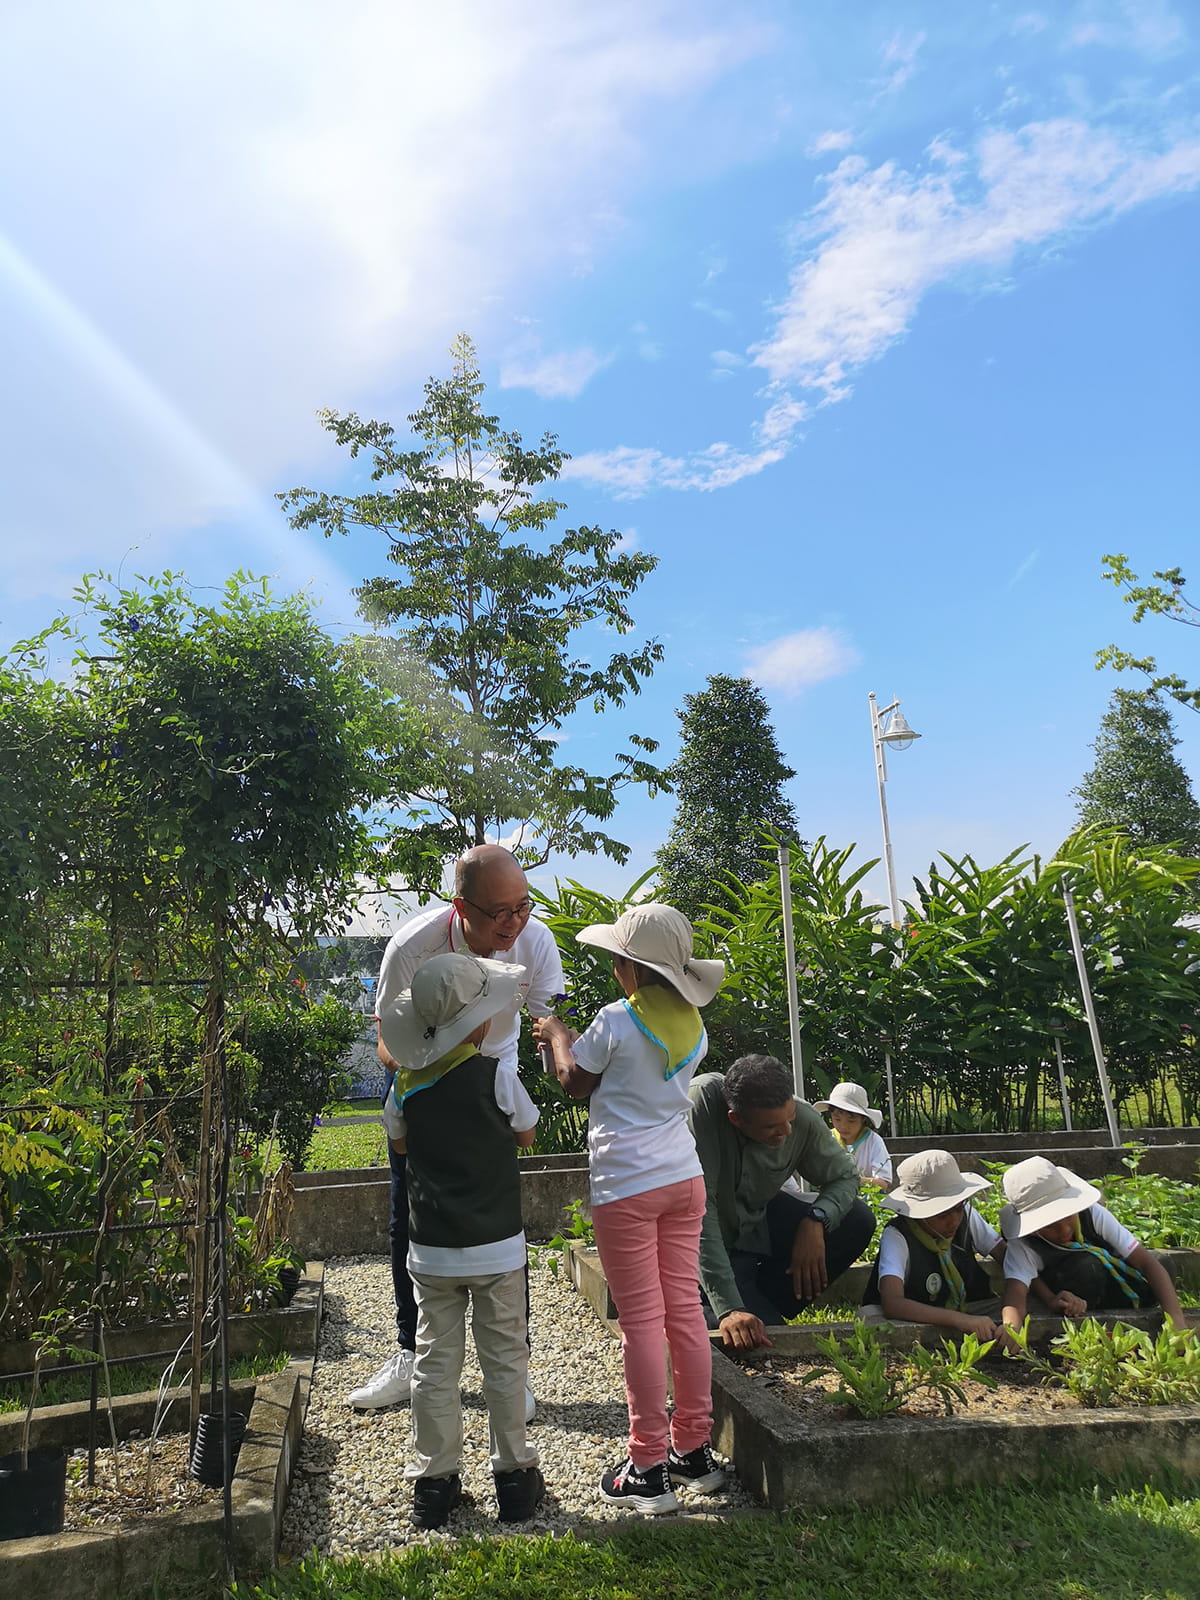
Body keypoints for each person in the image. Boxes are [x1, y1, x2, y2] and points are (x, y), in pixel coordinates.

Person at [349, 844, 565, 1414]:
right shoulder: (413, 947)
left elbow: (545, 1020)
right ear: (460, 907)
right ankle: (408, 1352)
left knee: (503, 1231)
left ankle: (511, 1365)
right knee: (410, 1220)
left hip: (495, 1096)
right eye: (499, 913)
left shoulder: (534, 939)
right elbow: (385, 1041)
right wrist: (441, 1066)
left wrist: (565, 1062)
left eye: (523, 906)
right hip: (422, 1091)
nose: (514, 924)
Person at [534, 903, 727, 1517]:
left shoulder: (616, 1019)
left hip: (627, 1188)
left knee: (641, 1323)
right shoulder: (692, 1022)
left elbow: (573, 1081)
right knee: (685, 1317)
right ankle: (693, 1452)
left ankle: (646, 1466)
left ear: (628, 967)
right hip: (683, 1179)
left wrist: (557, 1035)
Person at [379, 952, 544, 1529]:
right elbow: (525, 1133)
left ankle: (435, 1481)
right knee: (504, 1361)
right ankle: (515, 1477)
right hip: (497, 1246)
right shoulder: (497, 1073)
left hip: (432, 1251)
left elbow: (399, 1147)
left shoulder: (404, 1085)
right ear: (478, 1023)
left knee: (434, 1363)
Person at [687, 1055, 876, 1352]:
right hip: (698, 1249)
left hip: (754, 1233)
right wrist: (729, 1308)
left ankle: (763, 1299)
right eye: (772, 1128)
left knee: (857, 1219)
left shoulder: (799, 1117)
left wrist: (815, 1220)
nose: (786, 1132)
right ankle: (734, 1302)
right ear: (736, 1119)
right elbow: (698, 1208)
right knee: (745, 1341)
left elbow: (845, 1177)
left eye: (788, 1119)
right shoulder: (704, 1105)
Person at [999, 1156, 1188, 1334]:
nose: (1064, 1229)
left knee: (1163, 1263)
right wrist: (1012, 1328)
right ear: (1033, 1228)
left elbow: (1146, 1262)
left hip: (1113, 1283)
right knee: (1086, 1267)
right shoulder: (1025, 1243)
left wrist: (1176, 1319)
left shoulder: (1092, 1214)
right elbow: (1015, 1293)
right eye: (1050, 1226)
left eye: (1067, 1216)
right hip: (1072, 1288)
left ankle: (1136, 1308)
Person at [860, 1149, 1007, 1339]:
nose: (954, 1220)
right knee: (868, 1319)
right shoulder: (897, 1234)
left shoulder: (967, 1216)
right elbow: (892, 1302)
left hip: (969, 1305)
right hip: (915, 1309)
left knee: (1027, 1306)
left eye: (957, 1209)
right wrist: (958, 1320)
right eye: (942, 1214)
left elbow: (1005, 1256)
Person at [812, 1081, 893, 1190]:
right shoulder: (827, 1139)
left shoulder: (873, 1141)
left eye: (851, 1121)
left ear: (863, 1119)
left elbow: (883, 1184)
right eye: (837, 1119)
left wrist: (851, 1181)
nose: (843, 1126)